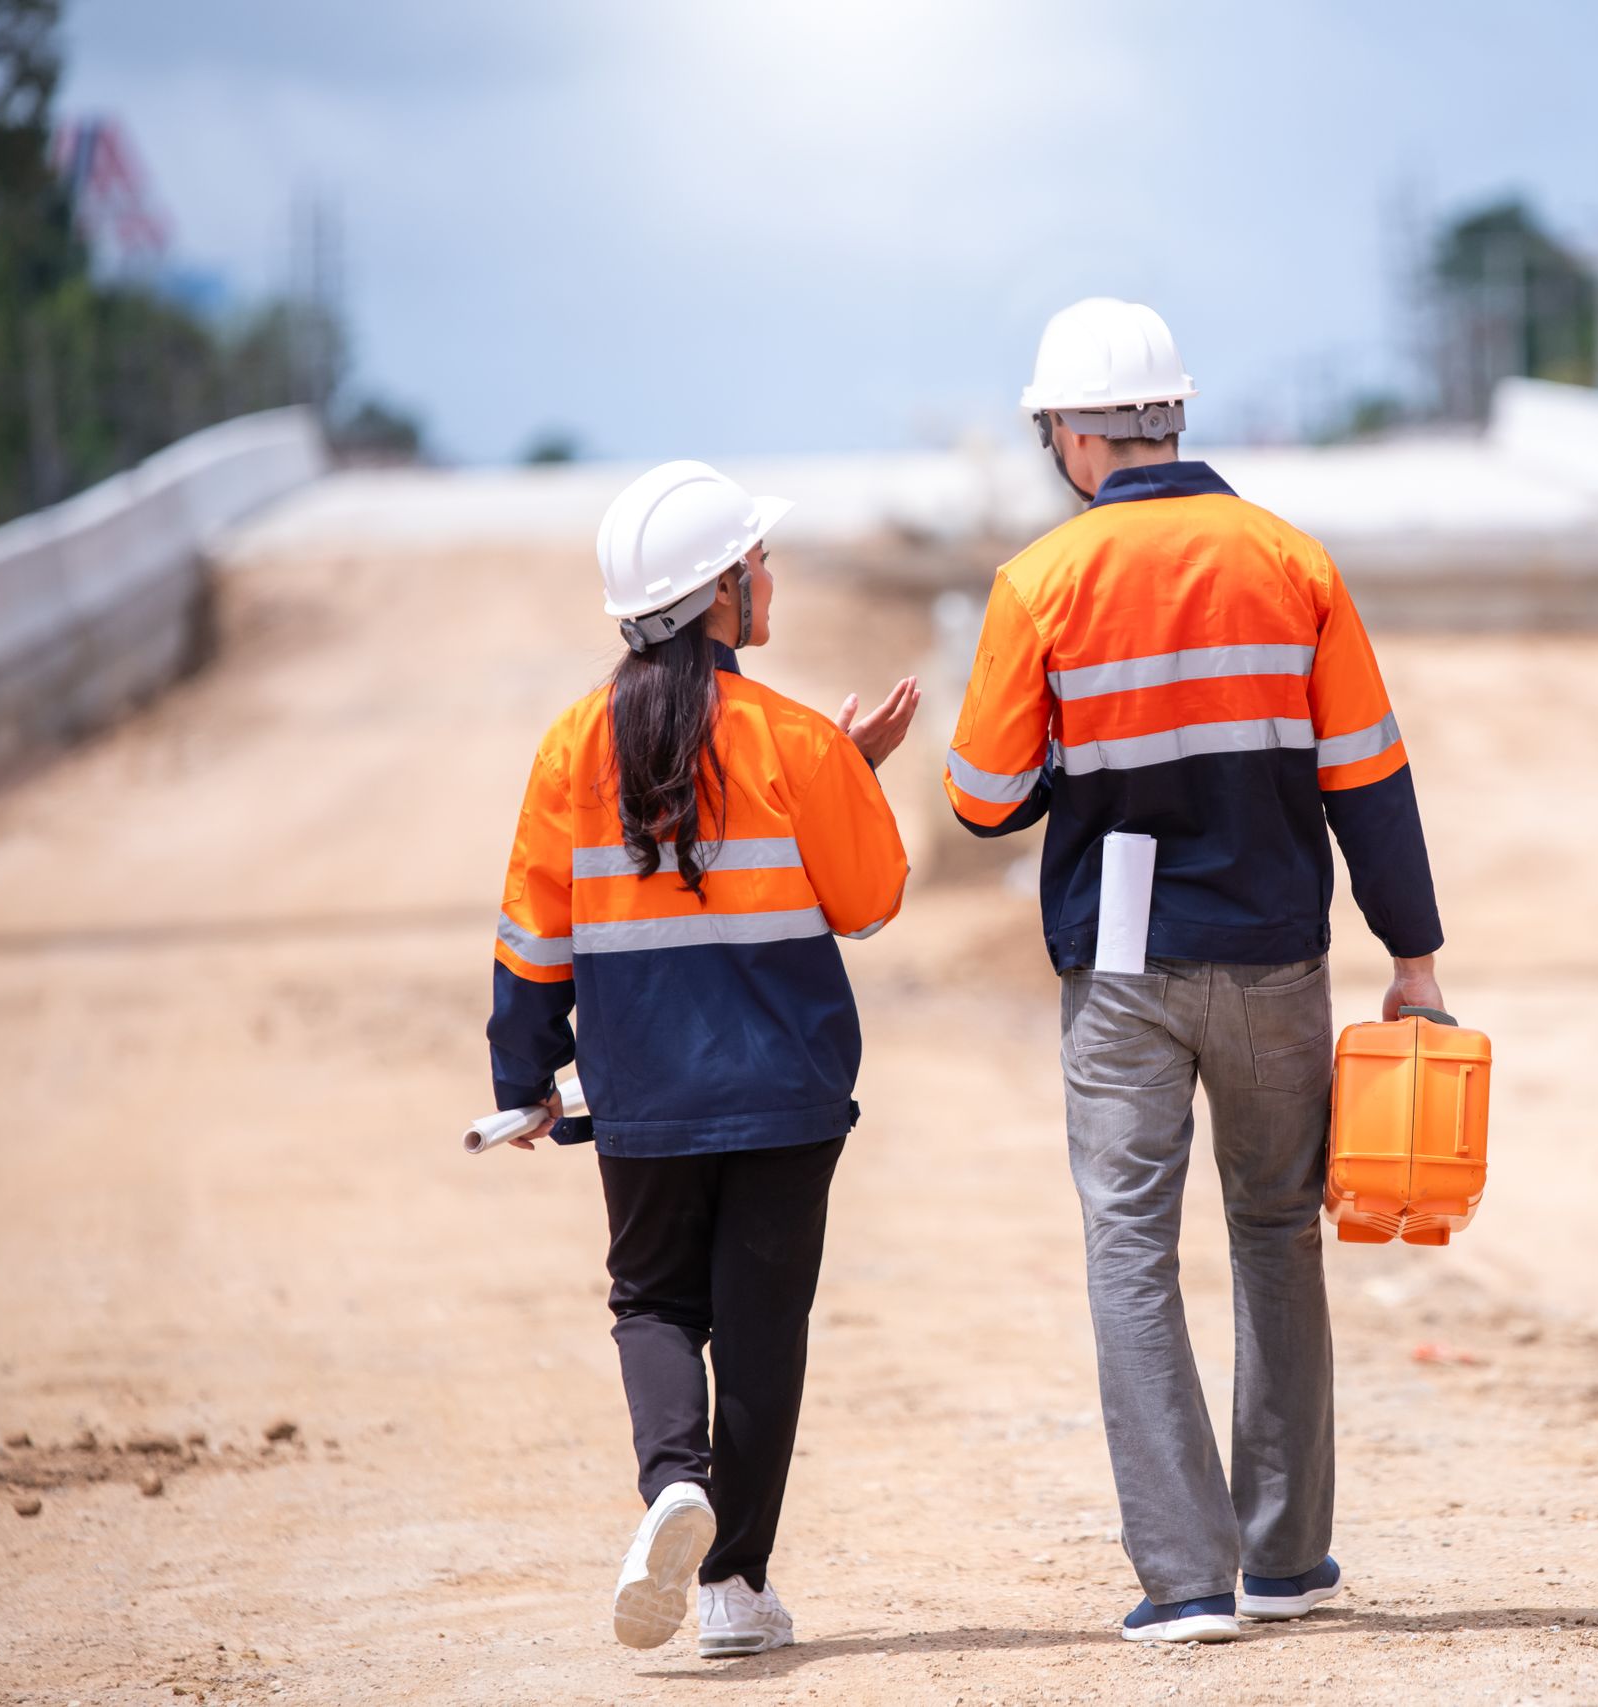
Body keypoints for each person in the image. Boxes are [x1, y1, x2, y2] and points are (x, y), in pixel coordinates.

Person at [944, 299, 1445, 1643]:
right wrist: (1416, 952)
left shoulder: (1039, 584)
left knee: (1130, 1250)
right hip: (1279, 950)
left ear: (1071, 433)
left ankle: (1183, 1579)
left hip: (1122, 968)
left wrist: (1085, 744)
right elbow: (1371, 776)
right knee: (1277, 1227)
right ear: (1174, 413)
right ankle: (1285, 1555)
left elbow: (983, 798)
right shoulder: (1294, 562)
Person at [486, 460, 919, 1660]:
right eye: (759, 560)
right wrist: (849, 776)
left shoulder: (574, 744)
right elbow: (870, 900)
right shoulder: (791, 741)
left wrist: (520, 1077)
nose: (769, 574)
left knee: (655, 1303)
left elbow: (532, 936)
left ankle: (674, 1481)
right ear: (723, 591)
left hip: (642, 1099)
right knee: (763, 1326)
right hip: (786, 1096)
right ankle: (732, 1586)